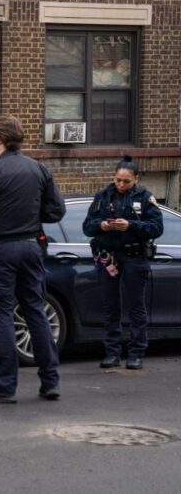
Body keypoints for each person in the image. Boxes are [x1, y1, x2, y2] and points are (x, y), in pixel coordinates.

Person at [0, 115, 66, 404]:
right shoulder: (38, 168)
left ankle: (4, 385)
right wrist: (29, 217)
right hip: (31, 247)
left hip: (1, 250)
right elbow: (56, 211)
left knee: (2, 315)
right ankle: (50, 382)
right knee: (35, 310)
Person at [82, 156, 163, 370]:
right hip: (108, 256)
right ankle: (112, 353)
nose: (121, 184)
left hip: (134, 256)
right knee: (111, 306)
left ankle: (136, 354)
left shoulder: (145, 198)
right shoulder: (102, 197)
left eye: (126, 181)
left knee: (136, 306)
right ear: (113, 177)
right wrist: (102, 226)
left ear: (136, 179)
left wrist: (131, 225)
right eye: (118, 180)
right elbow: (87, 227)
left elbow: (157, 228)